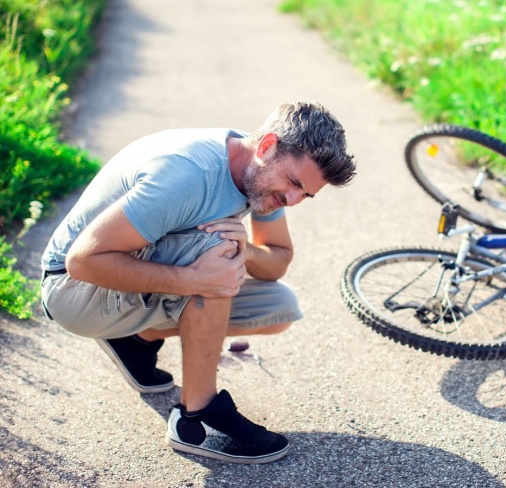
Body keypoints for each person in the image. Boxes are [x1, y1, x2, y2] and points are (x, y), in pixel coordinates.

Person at [40, 101, 356, 464]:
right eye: (295, 185)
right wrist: (194, 277)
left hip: (127, 283)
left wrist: (247, 249)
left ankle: (136, 341)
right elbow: (81, 261)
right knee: (217, 254)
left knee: (279, 305)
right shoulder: (189, 174)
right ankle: (196, 418)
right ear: (267, 146)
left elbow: (277, 259)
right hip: (74, 292)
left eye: (307, 195)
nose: (293, 200)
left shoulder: (264, 173)